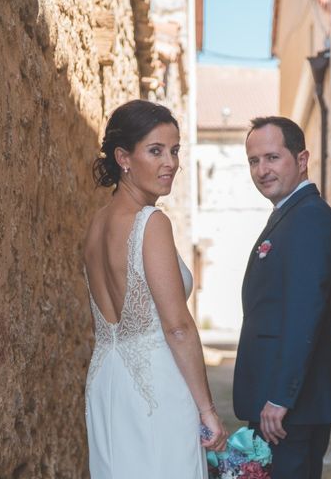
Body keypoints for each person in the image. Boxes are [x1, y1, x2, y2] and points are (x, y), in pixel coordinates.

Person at [83, 99, 227, 478]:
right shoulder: (151, 222)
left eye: (175, 150)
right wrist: (208, 410)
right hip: (156, 386)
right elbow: (177, 326)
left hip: (106, 380)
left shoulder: (96, 226)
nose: (171, 163)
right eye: (156, 150)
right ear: (123, 157)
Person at [233, 116, 331, 478]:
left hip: (288, 408)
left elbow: (305, 312)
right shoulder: (288, 215)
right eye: (254, 161)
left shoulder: (309, 217)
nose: (261, 170)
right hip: (279, 404)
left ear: (302, 160)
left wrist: (281, 397)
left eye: (272, 157)